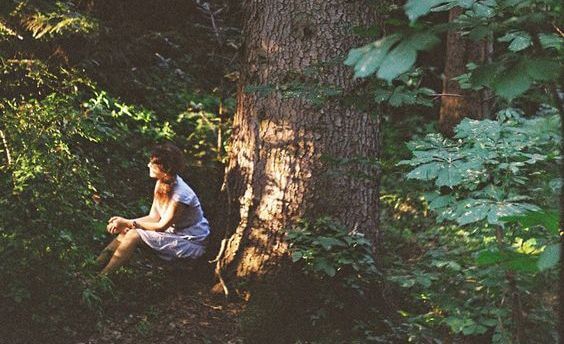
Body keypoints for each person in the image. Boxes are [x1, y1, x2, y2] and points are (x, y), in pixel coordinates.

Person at [96, 142, 210, 275]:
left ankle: (102, 278)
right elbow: (153, 217)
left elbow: (161, 226)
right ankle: (94, 267)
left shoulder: (182, 196)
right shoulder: (162, 183)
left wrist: (127, 222)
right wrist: (124, 222)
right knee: (126, 231)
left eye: (152, 163)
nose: (148, 165)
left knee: (133, 234)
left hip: (191, 243)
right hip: (173, 234)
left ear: (164, 167)